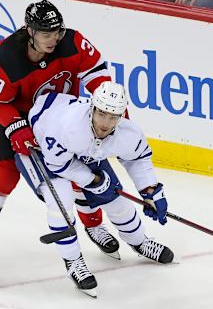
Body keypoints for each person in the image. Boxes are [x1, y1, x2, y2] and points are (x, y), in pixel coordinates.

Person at [0, 0, 120, 281]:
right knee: (3, 176)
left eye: (56, 32)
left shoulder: (73, 43)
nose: (54, 39)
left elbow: (97, 73)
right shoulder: (7, 56)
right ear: (30, 31)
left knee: (80, 166)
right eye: (46, 34)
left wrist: (105, 105)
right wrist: (16, 127)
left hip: (58, 116)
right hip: (11, 114)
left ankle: (93, 225)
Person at [16, 81, 174, 297]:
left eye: (113, 116)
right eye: (101, 114)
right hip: (43, 148)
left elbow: (138, 159)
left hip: (79, 148)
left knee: (117, 200)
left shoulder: (127, 132)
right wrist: (91, 180)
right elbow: (58, 165)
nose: (106, 123)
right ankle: (73, 262)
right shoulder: (68, 127)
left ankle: (139, 242)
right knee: (60, 204)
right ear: (92, 108)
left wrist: (151, 191)